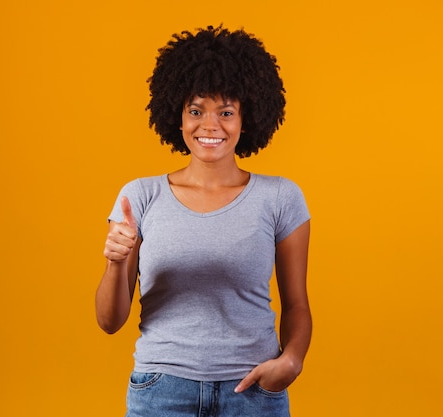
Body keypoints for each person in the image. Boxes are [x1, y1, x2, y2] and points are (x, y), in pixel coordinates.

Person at [95, 25, 311, 417]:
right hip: (161, 392)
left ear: (246, 119)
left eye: (225, 112)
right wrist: (114, 263)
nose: (209, 125)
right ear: (177, 116)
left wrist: (291, 361)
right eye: (196, 111)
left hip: (252, 392)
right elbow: (110, 322)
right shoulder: (141, 197)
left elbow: (297, 305)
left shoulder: (280, 197)